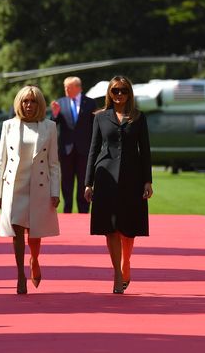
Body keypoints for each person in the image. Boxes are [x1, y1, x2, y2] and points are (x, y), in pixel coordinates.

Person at [84, 76, 152, 294]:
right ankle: (116, 273)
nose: (119, 95)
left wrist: (148, 180)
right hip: (105, 178)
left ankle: (126, 262)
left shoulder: (139, 118)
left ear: (129, 93)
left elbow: (146, 151)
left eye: (123, 91)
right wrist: (88, 183)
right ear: (109, 94)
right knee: (111, 228)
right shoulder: (100, 117)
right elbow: (93, 150)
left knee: (128, 228)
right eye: (115, 91)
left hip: (133, 177)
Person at [0, 85, 60, 295]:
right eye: (25, 102)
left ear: (40, 105)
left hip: (39, 185)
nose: (29, 106)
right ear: (19, 104)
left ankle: (35, 259)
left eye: (33, 102)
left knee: (35, 232)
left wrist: (55, 191)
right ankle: (20, 275)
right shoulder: (9, 126)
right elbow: (1, 161)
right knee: (17, 230)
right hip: (14, 185)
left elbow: (53, 163)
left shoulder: (49, 127)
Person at [50, 76, 95, 213]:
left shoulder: (90, 103)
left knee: (84, 182)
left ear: (78, 87)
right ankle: (67, 210)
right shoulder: (60, 103)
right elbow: (52, 124)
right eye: (65, 87)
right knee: (66, 183)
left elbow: (95, 127)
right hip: (66, 150)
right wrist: (55, 114)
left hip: (85, 150)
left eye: (68, 87)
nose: (65, 89)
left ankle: (83, 211)